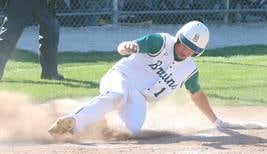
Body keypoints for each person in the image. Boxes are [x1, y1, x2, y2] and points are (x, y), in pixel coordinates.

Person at [48, 21, 234, 136]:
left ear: (197, 52)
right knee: (118, 95)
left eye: (191, 49)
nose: (185, 50)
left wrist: (215, 121)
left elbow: (197, 95)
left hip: (138, 97)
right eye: (184, 44)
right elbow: (125, 47)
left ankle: (89, 121)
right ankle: (73, 122)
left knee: (131, 132)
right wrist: (126, 47)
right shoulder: (160, 41)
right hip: (120, 76)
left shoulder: (189, 70)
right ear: (178, 38)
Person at [0, 0, 64, 80]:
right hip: (20, 3)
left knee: (50, 34)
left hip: (43, 3)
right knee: (8, 37)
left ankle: (50, 73)